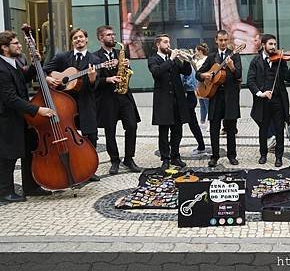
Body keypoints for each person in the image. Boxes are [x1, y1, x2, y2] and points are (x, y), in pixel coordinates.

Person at [0, 31, 55, 202]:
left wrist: (35, 64)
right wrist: (37, 110)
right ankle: (5, 192)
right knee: (8, 155)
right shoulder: (1, 68)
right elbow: (10, 98)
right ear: (4, 47)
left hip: (21, 117)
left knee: (29, 150)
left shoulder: (13, 62)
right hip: (7, 119)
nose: (19, 45)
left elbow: (23, 78)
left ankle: (31, 186)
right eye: (15, 43)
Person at [44, 28, 102, 181]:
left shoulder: (95, 60)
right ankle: (69, 165)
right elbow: (44, 70)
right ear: (72, 41)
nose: (79, 40)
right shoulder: (63, 57)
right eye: (75, 38)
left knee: (91, 136)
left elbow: (95, 86)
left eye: (81, 37)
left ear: (87, 39)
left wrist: (91, 78)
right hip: (65, 105)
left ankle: (89, 168)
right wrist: (49, 79)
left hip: (86, 103)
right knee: (67, 135)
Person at [94, 26, 141, 175]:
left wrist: (127, 66)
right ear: (101, 38)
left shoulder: (120, 52)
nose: (113, 37)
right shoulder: (94, 57)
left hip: (124, 95)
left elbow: (128, 73)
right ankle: (114, 160)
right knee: (110, 131)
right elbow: (93, 82)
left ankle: (129, 158)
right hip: (107, 99)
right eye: (109, 35)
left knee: (132, 126)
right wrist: (107, 79)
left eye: (113, 34)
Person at [247, 34, 290, 167]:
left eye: (275, 44)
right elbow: (250, 81)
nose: (273, 47)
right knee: (263, 129)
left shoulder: (281, 60)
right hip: (263, 101)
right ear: (263, 45)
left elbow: (287, 78)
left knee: (279, 129)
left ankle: (279, 157)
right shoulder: (255, 61)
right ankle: (263, 154)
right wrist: (260, 93)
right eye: (270, 44)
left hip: (278, 100)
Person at [197, 30, 242, 167]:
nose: (223, 43)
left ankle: (232, 155)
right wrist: (204, 76)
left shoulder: (235, 55)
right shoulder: (211, 57)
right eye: (220, 40)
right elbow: (198, 74)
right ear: (216, 40)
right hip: (215, 96)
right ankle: (214, 156)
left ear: (228, 41)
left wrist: (232, 67)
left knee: (230, 128)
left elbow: (239, 75)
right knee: (214, 128)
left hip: (230, 97)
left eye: (225, 40)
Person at [148, 34, 191, 170]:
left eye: (169, 42)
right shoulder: (153, 59)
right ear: (158, 44)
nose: (168, 44)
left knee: (177, 131)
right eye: (165, 42)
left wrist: (185, 60)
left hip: (177, 100)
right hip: (163, 101)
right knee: (164, 132)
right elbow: (157, 72)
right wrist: (171, 59)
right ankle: (165, 158)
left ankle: (175, 156)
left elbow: (187, 72)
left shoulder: (173, 58)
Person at [195, 43, 210, 133]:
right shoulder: (197, 60)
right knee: (202, 104)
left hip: (205, 84)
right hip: (199, 84)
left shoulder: (206, 60)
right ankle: (202, 121)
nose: (195, 52)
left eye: (196, 51)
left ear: (200, 51)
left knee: (207, 104)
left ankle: (209, 123)